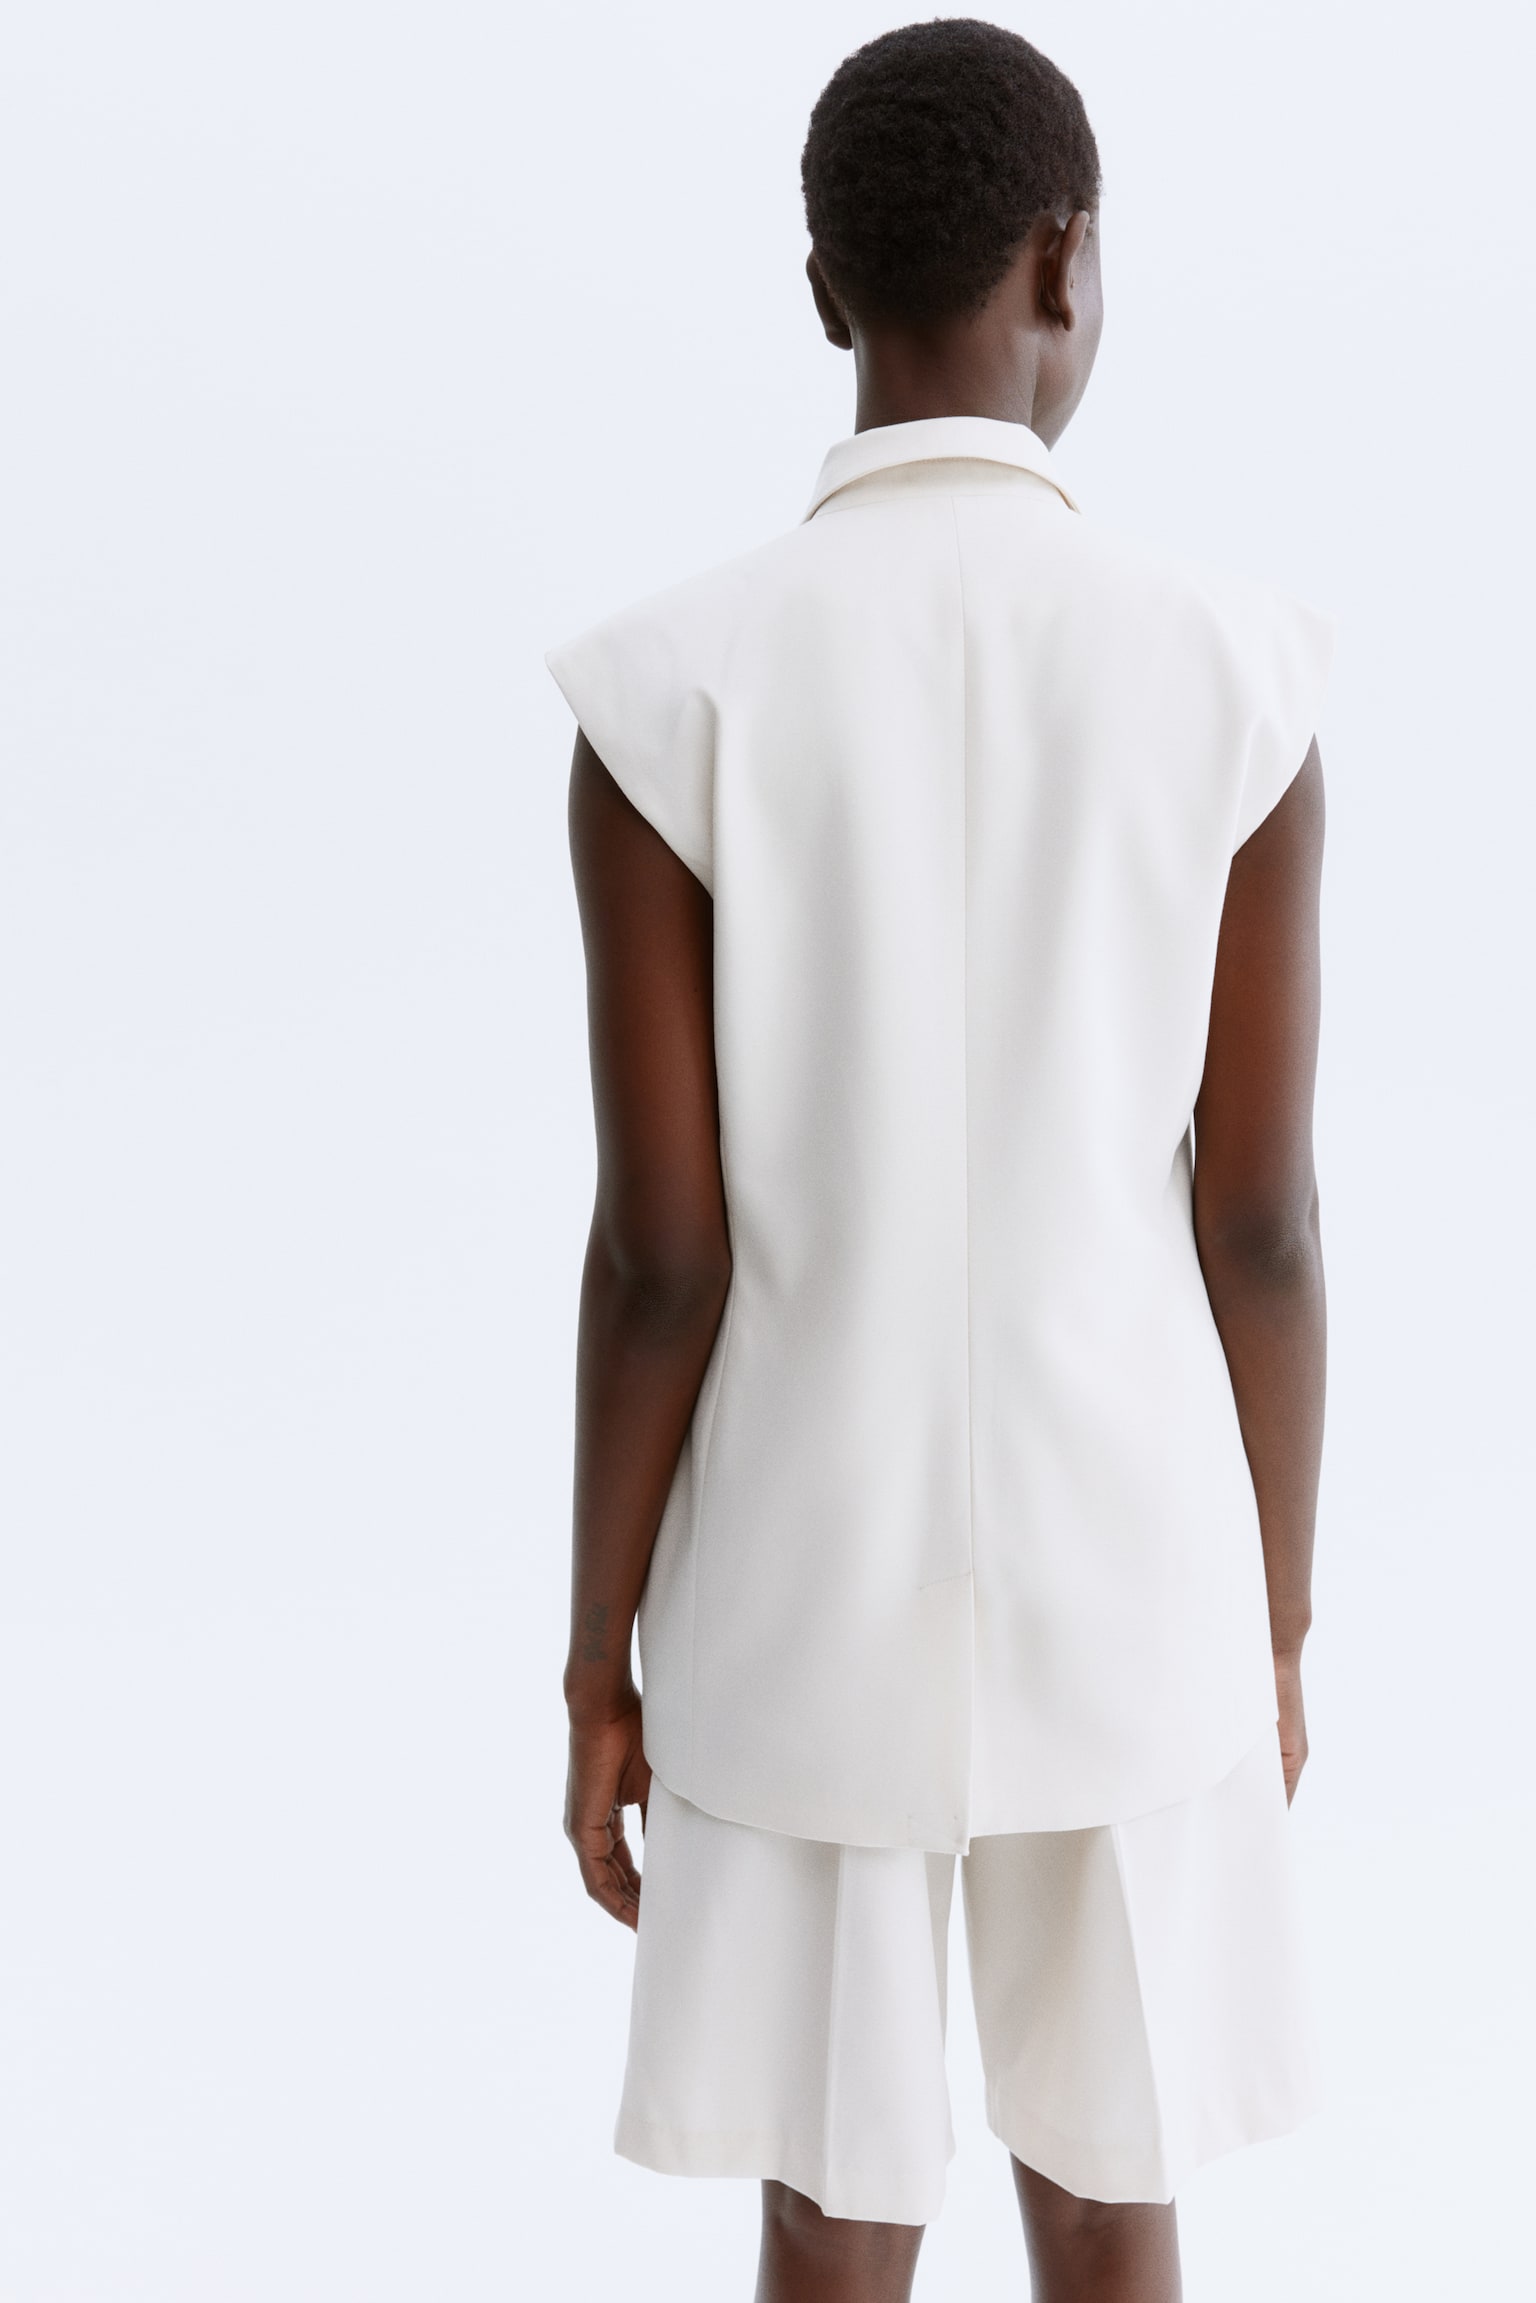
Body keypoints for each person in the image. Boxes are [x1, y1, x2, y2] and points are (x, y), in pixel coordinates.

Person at [545, 19, 1331, 2301]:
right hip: (1138, 1571)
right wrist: (1274, 1612)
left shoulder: (667, 697)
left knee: (831, 2212)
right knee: (1112, 2190)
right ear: (1068, 263)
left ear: (824, 288)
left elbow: (661, 1257)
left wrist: (598, 1660)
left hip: (799, 1587)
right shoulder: (1242, 680)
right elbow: (1261, 1225)